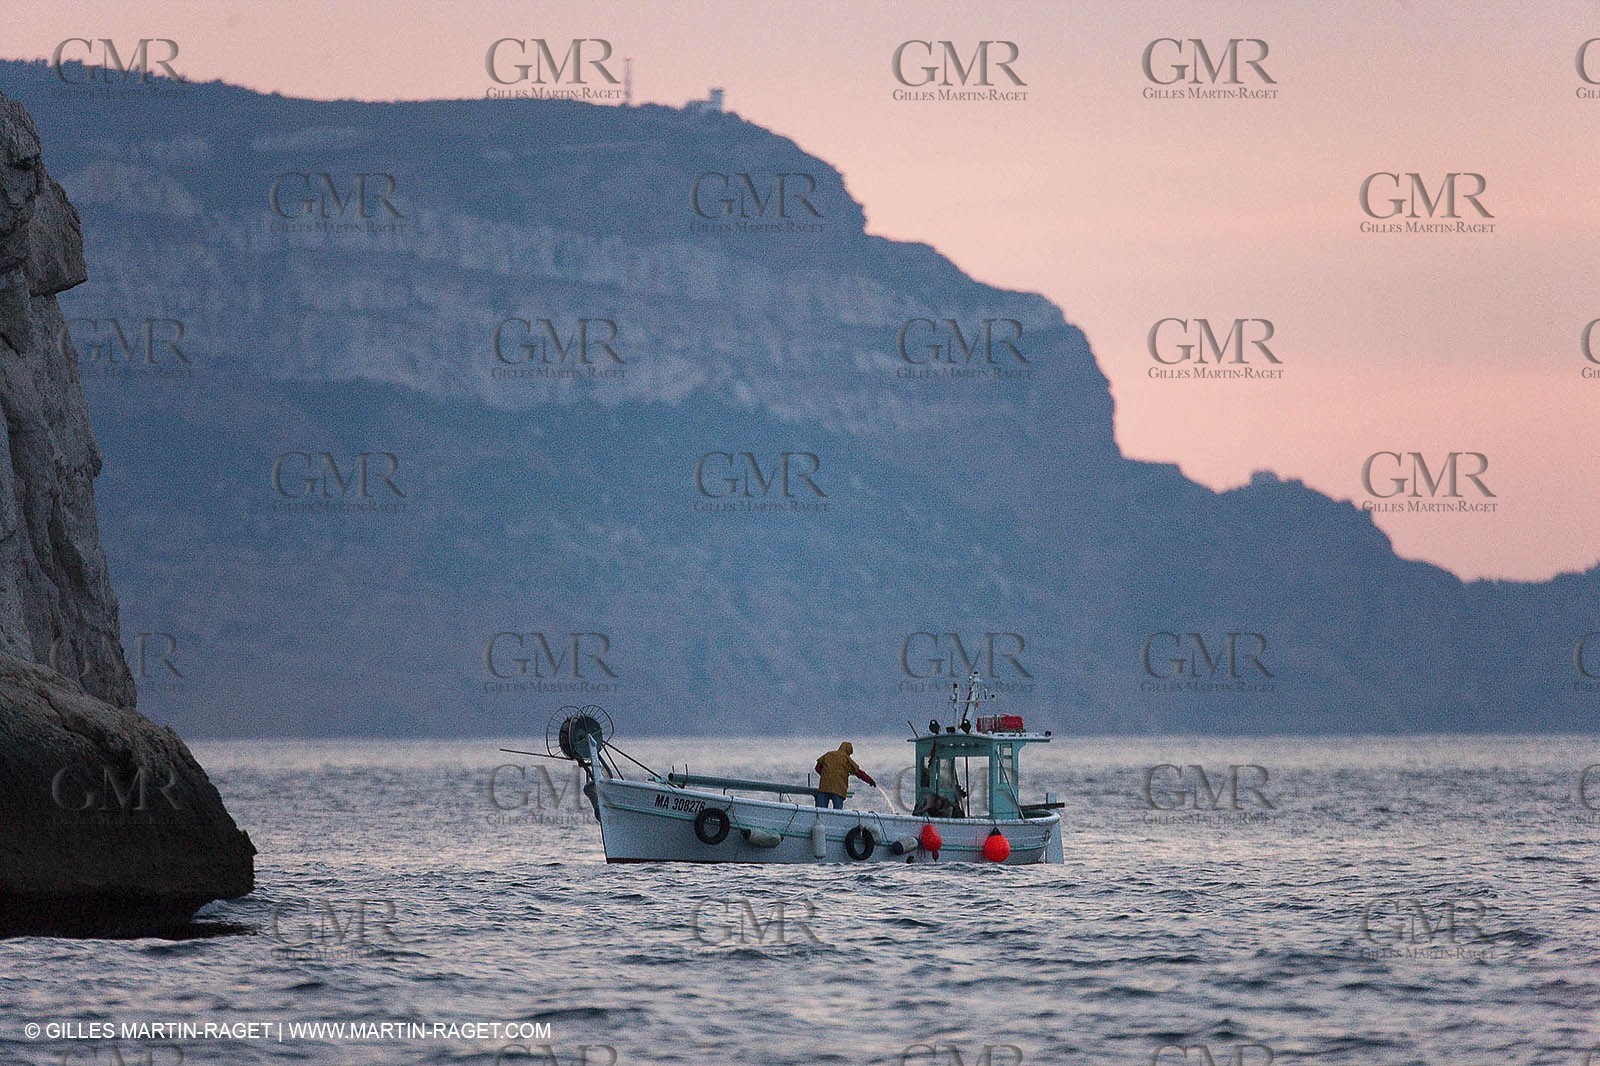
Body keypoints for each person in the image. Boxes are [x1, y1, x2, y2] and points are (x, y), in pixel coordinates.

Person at [814, 742, 874, 809]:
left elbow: (817, 768)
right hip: (838, 790)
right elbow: (859, 773)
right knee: (838, 813)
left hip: (824, 787)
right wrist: (870, 781)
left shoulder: (828, 754)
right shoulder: (846, 759)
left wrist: (826, 775)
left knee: (819, 811)